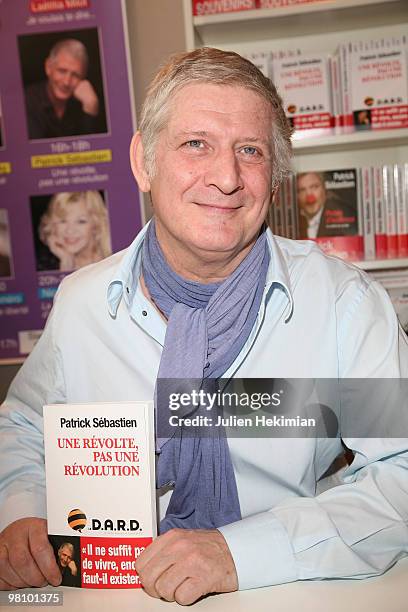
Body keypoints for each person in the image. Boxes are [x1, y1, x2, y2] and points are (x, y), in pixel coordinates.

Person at [0, 48, 407, 606]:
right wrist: (22, 510)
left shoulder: (342, 303)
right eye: (196, 144)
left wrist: (239, 553)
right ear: (144, 161)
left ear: (274, 176)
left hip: (289, 593)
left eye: (250, 151)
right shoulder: (84, 305)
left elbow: (403, 475)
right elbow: (23, 424)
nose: (226, 177)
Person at [24, 38, 101, 139]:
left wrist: (91, 107)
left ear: (83, 78)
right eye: (62, 71)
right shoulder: (26, 101)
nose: (66, 82)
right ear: (48, 67)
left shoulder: (82, 104)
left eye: (75, 75)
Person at [36, 191, 112, 272]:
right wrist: (66, 263)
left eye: (81, 221)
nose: (70, 230)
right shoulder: (43, 266)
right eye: (63, 221)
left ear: (96, 225)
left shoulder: (115, 258)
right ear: (52, 224)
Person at [296, 171, 357, 239]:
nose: (309, 195)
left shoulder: (344, 215)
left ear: (324, 189)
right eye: (302, 190)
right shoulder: (295, 220)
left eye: (314, 187)